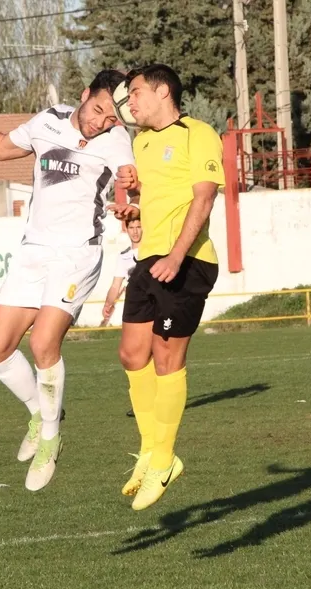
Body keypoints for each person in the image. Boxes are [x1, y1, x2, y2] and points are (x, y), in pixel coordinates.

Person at [0, 70, 135, 492]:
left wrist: (131, 198)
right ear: (84, 95)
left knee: (43, 344)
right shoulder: (47, 120)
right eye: (98, 109)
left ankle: (50, 438)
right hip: (34, 251)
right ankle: (40, 412)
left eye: (109, 118)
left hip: (76, 255)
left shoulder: (117, 139)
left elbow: (129, 179)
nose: (101, 121)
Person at [107, 64, 223, 511]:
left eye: (135, 93)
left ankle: (163, 457)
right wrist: (133, 214)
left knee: (166, 358)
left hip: (188, 260)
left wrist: (177, 254)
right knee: (131, 354)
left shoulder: (198, 133)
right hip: (148, 260)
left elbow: (204, 196)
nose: (129, 102)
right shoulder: (143, 142)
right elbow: (147, 204)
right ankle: (153, 450)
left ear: (162, 92)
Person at [100, 214, 143, 418]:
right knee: (132, 356)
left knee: (156, 355)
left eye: (139, 226)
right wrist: (109, 303)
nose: (135, 230)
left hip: (156, 308)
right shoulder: (124, 256)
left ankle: (157, 400)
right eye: (132, 227)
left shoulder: (154, 251)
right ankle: (139, 403)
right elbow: (116, 285)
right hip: (134, 311)